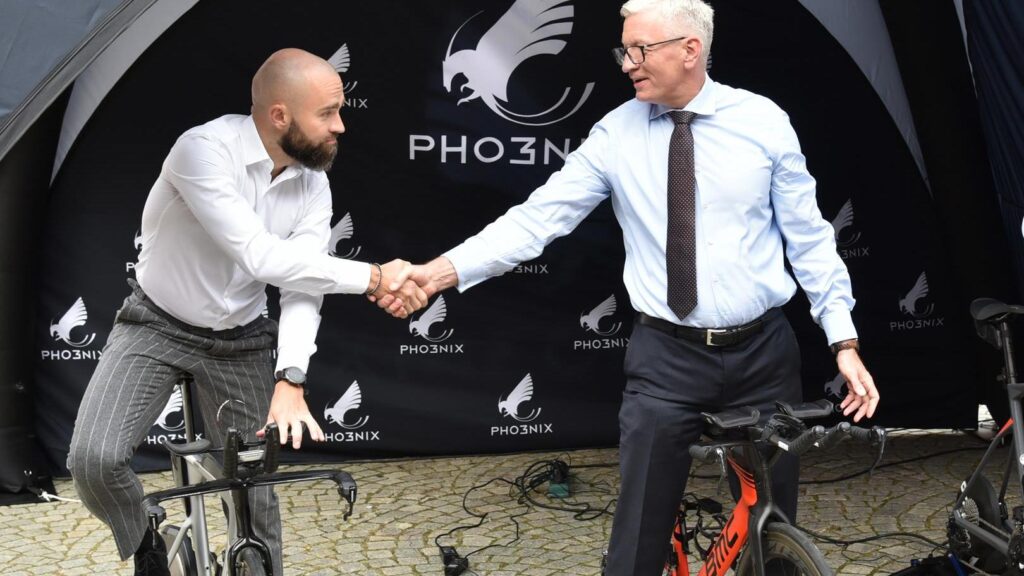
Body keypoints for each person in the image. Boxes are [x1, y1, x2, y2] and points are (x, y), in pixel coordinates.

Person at [375, 1, 880, 574]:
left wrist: (843, 340)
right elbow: (536, 221)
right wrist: (437, 273)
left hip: (764, 354)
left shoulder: (763, 122)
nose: (626, 63)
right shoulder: (615, 134)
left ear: (690, 49)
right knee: (639, 534)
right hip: (666, 360)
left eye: (640, 49)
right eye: (625, 49)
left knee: (772, 530)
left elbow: (810, 238)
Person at [66, 48, 425, 576]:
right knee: (93, 460)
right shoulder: (202, 150)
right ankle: (144, 538)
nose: (340, 126)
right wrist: (374, 277)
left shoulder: (312, 182)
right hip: (155, 325)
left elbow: (301, 282)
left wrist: (292, 376)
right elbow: (260, 256)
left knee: (254, 488)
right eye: (327, 113)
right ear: (280, 115)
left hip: (242, 340)